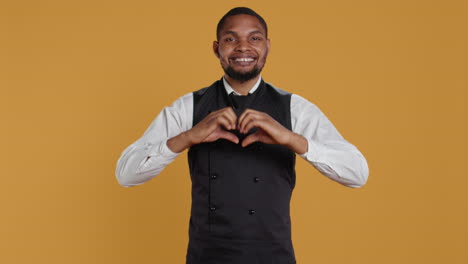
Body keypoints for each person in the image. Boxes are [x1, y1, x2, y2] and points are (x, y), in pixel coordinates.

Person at [116, 7, 368, 264]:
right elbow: (126, 174)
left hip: (273, 257)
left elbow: (357, 174)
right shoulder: (188, 107)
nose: (243, 47)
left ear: (267, 46)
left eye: (254, 38)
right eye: (231, 39)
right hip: (207, 257)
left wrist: (291, 138)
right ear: (217, 48)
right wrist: (189, 137)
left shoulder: (295, 109)